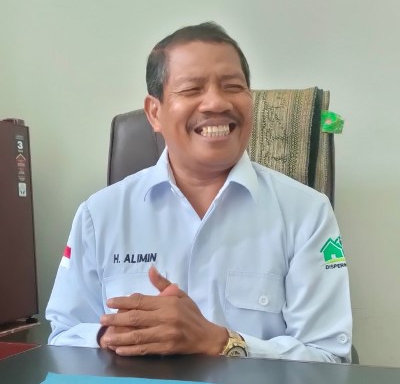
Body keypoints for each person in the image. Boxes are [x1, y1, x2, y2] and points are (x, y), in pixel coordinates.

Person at [46, 22, 352, 362]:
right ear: (155, 113)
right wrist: (110, 335)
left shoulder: (306, 213)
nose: (216, 102)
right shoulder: (100, 215)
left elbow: (329, 358)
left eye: (233, 87)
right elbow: (63, 336)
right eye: (192, 89)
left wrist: (221, 342)